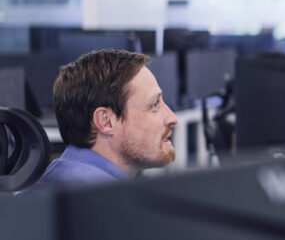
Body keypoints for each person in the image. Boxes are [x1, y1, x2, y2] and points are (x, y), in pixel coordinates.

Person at [34, 49, 179, 186]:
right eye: (154, 104)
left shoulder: (57, 182)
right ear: (106, 121)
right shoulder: (106, 204)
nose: (172, 118)